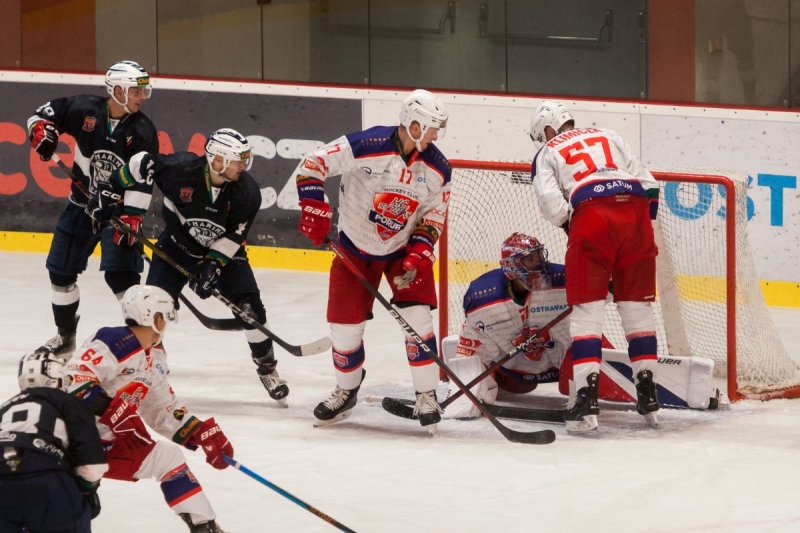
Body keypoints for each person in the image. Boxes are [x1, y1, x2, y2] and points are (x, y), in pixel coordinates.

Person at [293, 89, 451, 430]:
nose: (438, 135)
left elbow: (433, 215)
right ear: (414, 124)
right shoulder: (366, 144)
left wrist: (422, 250)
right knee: (344, 330)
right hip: (353, 250)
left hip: (401, 253)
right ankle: (346, 391)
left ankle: (427, 395)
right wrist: (312, 203)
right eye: (433, 127)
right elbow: (312, 164)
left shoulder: (438, 168)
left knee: (418, 321)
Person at [441, 233, 725, 422]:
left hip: (567, 366)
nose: (540, 264)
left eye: (539, 256)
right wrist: (466, 388)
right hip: (514, 378)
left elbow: (616, 293)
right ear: (512, 266)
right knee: (486, 383)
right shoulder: (483, 297)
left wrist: (614, 280)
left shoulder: (562, 278)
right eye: (530, 259)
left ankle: (649, 388)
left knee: (589, 343)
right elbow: (471, 345)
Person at [96, 128, 289, 405]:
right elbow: (140, 163)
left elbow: (235, 236)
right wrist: (110, 189)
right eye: (238, 160)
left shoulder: (247, 192)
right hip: (176, 246)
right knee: (151, 310)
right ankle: (150, 369)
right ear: (218, 160)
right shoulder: (181, 169)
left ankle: (267, 368)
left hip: (224, 252)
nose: (244, 167)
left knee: (251, 310)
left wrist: (213, 265)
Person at [529, 100, 662, 432]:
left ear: (547, 130)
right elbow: (650, 185)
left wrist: (579, 227)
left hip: (592, 218)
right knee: (638, 310)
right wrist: (636, 229)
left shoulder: (546, 152)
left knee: (587, 315)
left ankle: (585, 399)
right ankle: (648, 391)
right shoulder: (609, 133)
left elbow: (552, 205)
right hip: (636, 215)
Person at [63, 284, 232, 533]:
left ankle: (204, 527)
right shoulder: (113, 341)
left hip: (108, 443)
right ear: (153, 318)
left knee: (168, 458)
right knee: (69, 510)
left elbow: (161, 408)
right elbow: (72, 380)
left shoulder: (154, 357)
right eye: (164, 317)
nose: (165, 325)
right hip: (70, 440)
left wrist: (198, 432)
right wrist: (113, 411)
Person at [26, 60, 159, 362]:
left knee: (121, 278)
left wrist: (132, 218)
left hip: (119, 213)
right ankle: (65, 337)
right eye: (136, 91)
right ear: (117, 90)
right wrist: (42, 133)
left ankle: (146, 346)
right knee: (60, 272)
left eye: (143, 90)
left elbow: (143, 179)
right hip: (81, 206)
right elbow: (39, 118)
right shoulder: (84, 109)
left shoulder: (143, 130)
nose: (143, 96)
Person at [1, 352, 107, 532]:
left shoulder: (4, 408)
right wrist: (87, 491)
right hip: (46, 477)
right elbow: (92, 466)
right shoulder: (67, 401)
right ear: (56, 376)